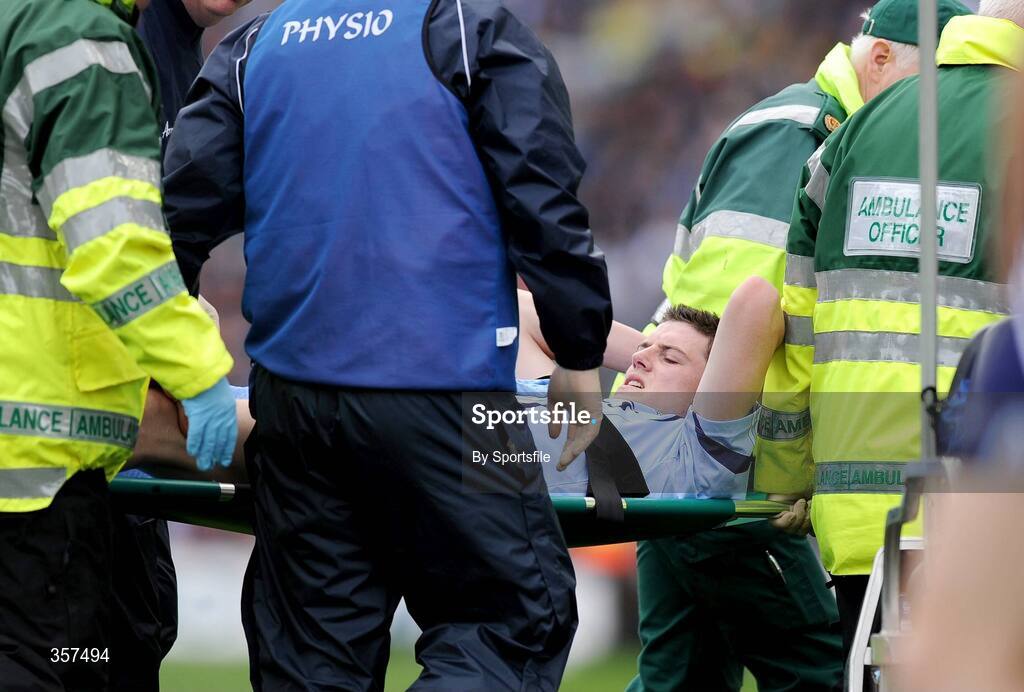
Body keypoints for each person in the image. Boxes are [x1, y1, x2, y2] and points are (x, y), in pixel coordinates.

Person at [163, 1, 612, 689]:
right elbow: (544, 198)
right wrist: (579, 351)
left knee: (311, 662)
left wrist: (168, 362)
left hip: (294, 408)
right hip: (459, 397)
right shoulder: (465, 26)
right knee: (513, 621)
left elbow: (175, 217)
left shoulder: (256, 47)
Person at [627, 1, 970, 689]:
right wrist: (781, 477)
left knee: (682, 679)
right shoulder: (806, 136)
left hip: (692, 473)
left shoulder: (817, 129)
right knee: (825, 672)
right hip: (729, 486)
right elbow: (717, 325)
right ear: (878, 60)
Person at [768, 0, 1021, 669]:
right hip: (990, 511)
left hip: (857, 517)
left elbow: (795, 326)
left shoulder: (856, 131)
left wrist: (784, 478)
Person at [0, 0, 237, 689]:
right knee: (64, 664)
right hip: (35, 456)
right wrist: (200, 372)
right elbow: (115, 249)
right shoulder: (76, 39)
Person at [111, 3, 249, 689]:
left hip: (120, 406)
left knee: (131, 634)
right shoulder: (115, 35)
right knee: (81, 648)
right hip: (74, 412)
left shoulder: (191, 53)